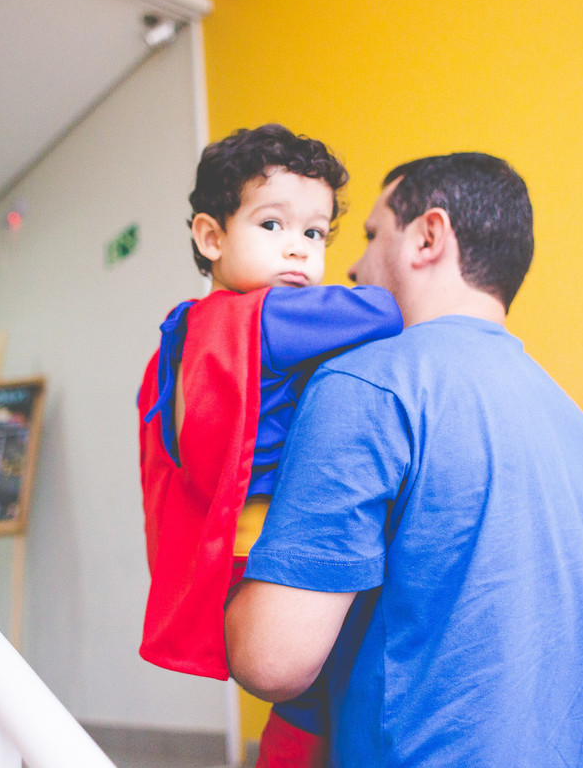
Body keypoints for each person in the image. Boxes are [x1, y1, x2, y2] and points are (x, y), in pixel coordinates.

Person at [225, 153, 583, 767]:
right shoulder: (578, 427)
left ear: (428, 237)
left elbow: (272, 661)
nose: (351, 265)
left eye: (373, 236)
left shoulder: (365, 383)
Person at [137, 124, 402, 765]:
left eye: (313, 234)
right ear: (211, 236)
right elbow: (386, 312)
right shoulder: (270, 319)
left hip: (228, 553)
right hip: (267, 546)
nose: (297, 252)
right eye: (272, 225)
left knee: (306, 702)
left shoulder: (192, 329)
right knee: (339, 683)